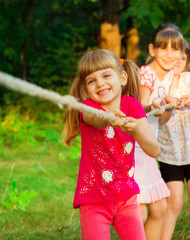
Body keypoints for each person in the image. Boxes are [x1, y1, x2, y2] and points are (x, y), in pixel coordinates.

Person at [62, 49, 161, 240]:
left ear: (122, 78)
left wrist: (137, 131)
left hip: (127, 198)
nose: (100, 83)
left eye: (106, 75)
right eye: (92, 81)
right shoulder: (89, 108)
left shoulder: (132, 105)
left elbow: (154, 150)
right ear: (85, 89)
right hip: (93, 199)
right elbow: (96, 119)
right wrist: (108, 118)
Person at [157, 39, 190, 240]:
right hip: (170, 152)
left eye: (183, 55)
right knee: (174, 202)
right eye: (175, 54)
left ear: (187, 58)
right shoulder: (160, 82)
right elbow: (161, 120)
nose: (179, 59)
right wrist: (169, 106)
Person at [133, 24, 181, 240]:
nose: (170, 55)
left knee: (159, 208)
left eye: (175, 49)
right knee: (140, 211)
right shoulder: (147, 73)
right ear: (152, 50)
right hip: (136, 145)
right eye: (163, 49)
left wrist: (168, 106)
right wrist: (157, 104)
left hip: (150, 146)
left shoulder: (170, 77)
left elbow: (162, 118)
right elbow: (139, 108)